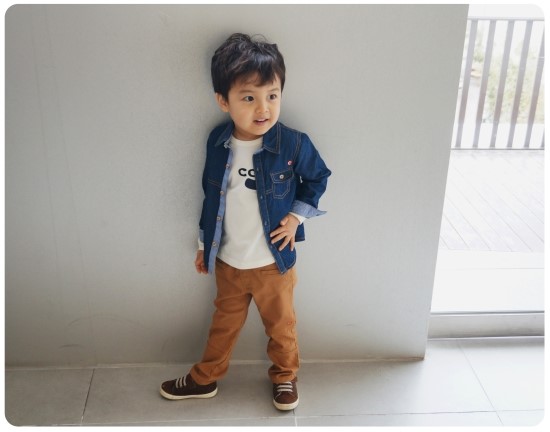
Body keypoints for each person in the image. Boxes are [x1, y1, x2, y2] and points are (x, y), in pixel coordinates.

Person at [160, 33, 331, 411]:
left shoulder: (293, 144)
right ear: (224, 101)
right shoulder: (217, 142)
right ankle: (204, 378)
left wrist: (295, 218)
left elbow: (318, 178)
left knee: (281, 328)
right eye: (249, 98)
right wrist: (204, 245)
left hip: (274, 263)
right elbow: (211, 199)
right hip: (229, 264)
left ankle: (285, 377)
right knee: (223, 326)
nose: (263, 108)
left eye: (272, 95)